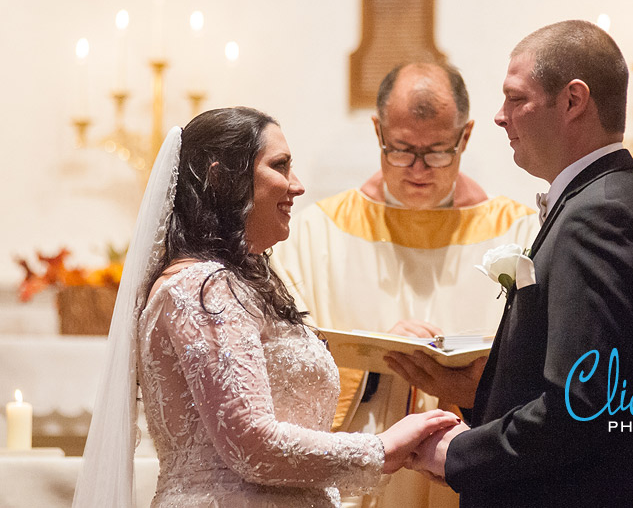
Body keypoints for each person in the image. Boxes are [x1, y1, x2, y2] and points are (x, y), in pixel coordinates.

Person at [72, 107, 460, 507]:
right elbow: (251, 444)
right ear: (222, 178)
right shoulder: (199, 286)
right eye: (281, 166)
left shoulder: (241, 282)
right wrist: (380, 450)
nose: (298, 186)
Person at [408, 20, 633, 507]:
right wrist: (479, 392)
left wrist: (457, 455)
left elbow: (580, 409)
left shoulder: (600, 216)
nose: (500, 117)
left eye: (516, 99)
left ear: (572, 101)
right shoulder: (606, 199)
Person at [273, 63, 538, 507]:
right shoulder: (314, 235)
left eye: (437, 151)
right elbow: (280, 367)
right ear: (378, 131)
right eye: (400, 150)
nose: (418, 169)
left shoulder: (520, 233)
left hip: (471, 468)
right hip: (363, 479)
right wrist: (373, 363)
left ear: (466, 137)